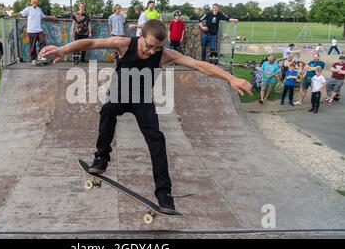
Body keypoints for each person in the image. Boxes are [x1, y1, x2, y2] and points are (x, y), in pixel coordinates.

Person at [39, 19, 252, 213]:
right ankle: (101, 158)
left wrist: (230, 78)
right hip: (120, 94)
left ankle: (164, 194)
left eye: (156, 48)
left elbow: (198, 65)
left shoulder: (165, 54)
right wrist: (63, 49)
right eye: (149, 45)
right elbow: (90, 44)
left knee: (157, 140)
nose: (151, 51)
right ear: (141, 36)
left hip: (142, 100)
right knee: (108, 110)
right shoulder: (123, 43)